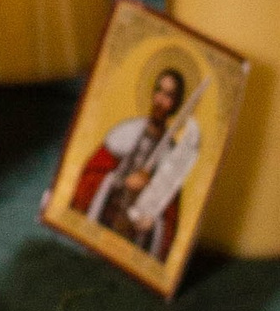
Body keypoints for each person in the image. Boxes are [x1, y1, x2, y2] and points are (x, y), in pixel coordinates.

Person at [74, 63, 201, 260]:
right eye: (158, 91)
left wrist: (152, 220)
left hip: (132, 245)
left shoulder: (171, 155)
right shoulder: (125, 132)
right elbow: (89, 176)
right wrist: (120, 181)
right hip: (101, 227)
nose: (160, 100)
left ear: (175, 104)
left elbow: (168, 219)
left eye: (168, 96)